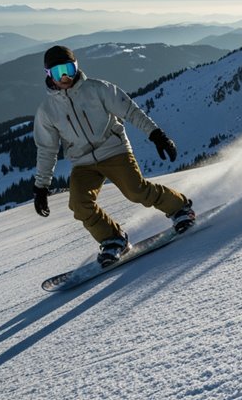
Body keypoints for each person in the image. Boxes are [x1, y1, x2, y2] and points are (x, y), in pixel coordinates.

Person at [32, 45, 196, 266]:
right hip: (83, 163)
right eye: (58, 71)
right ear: (48, 75)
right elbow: (47, 149)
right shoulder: (47, 110)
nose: (64, 77)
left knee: (136, 191)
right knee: (79, 205)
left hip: (113, 150)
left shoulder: (98, 89)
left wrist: (157, 135)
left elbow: (130, 111)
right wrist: (41, 187)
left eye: (69, 69)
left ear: (77, 68)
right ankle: (113, 239)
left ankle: (180, 208)